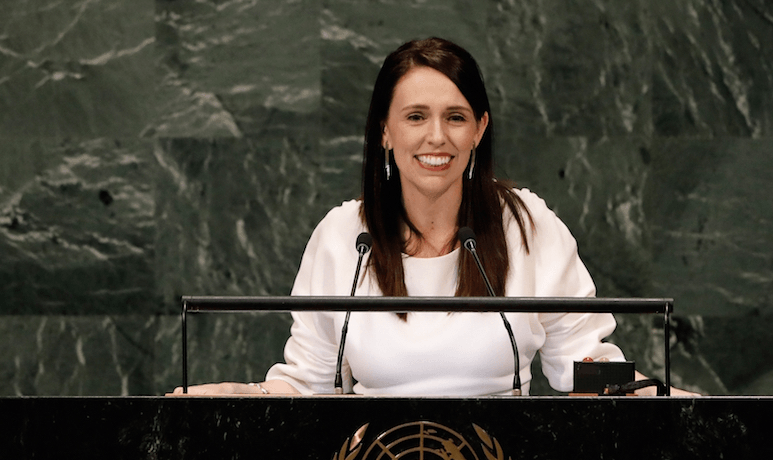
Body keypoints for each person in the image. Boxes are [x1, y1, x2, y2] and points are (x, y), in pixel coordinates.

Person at [171, 37, 674, 397]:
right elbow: (307, 383)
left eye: (455, 117)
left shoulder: (527, 225)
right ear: (385, 131)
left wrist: (657, 397)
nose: (437, 137)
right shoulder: (343, 237)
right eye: (415, 117)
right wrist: (243, 396)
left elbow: (586, 362)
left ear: (479, 130)